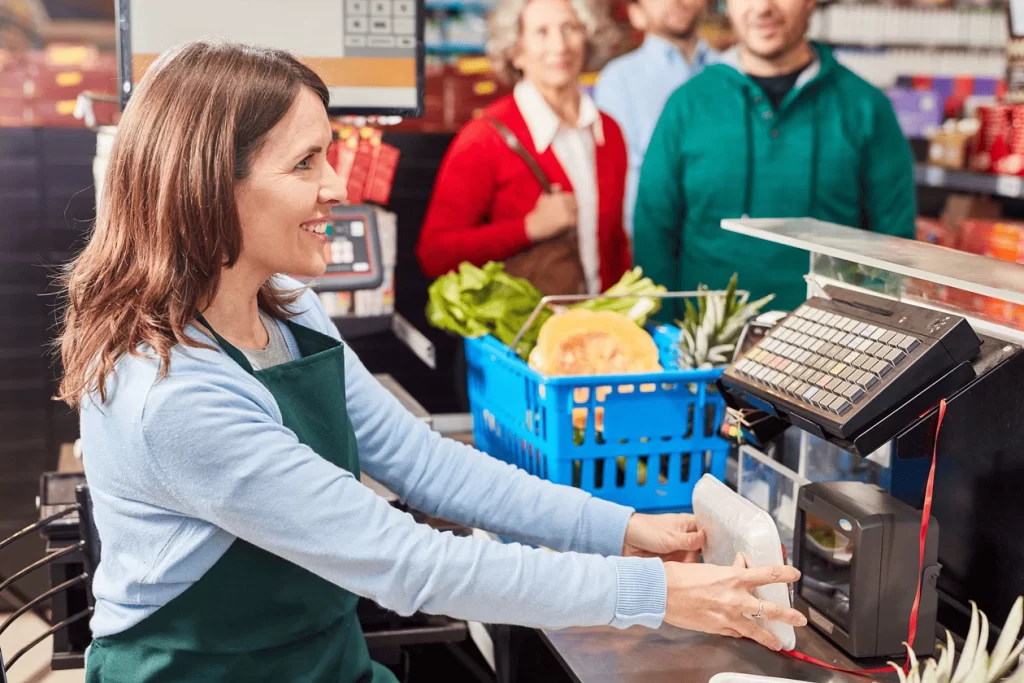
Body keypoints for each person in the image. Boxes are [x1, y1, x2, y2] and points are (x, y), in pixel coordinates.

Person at [57, 41, 805, 682]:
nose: (336, 187)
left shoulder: (286, 307)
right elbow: (406, 561)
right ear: (209, 185)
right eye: (305, 163)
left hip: (325, 662)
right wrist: (657, 593)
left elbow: (422, 462)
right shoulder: (172, 392)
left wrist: (621, 526)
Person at [634, 0, 916, 319]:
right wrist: (661, 331)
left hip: (831, 341)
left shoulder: (866, 108)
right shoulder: (686, 105)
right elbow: (653, 233)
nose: (762, 7)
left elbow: (893, 246)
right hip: (703, 340)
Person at [416, 0, 631, 297]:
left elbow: (614, 246)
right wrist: (528, 228)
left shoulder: (608, 132)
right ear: (515, 52)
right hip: (520, 324)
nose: (559, 45)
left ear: (587, 38)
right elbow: (435, 254)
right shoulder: (483, 138)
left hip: (597, 321)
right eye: (541, 32)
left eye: (570, 28)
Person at [594, 0, 717, 240]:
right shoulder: (619, 80)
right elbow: (622, 180)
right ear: (636, 13)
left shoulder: (734, 69)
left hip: (727, 238)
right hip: (655, 239)